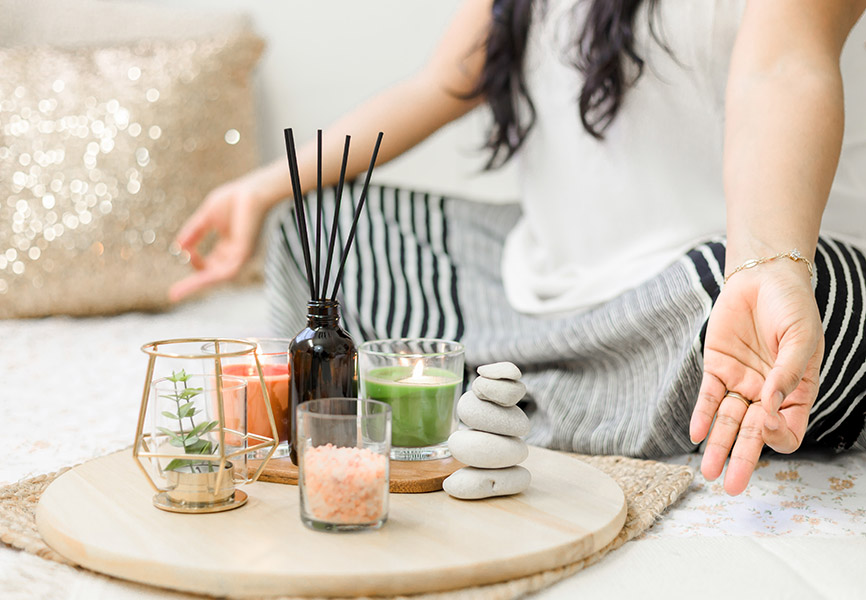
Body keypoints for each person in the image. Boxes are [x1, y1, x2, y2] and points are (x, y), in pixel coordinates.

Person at [170, 0, 866, 495]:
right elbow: (444, 81)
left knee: (828, 308)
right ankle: (575, 391)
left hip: (720, 284)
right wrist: (259, 190)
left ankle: (510, 391)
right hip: (535, 278)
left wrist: (769, 263)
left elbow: (781, 67)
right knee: (316, 221)